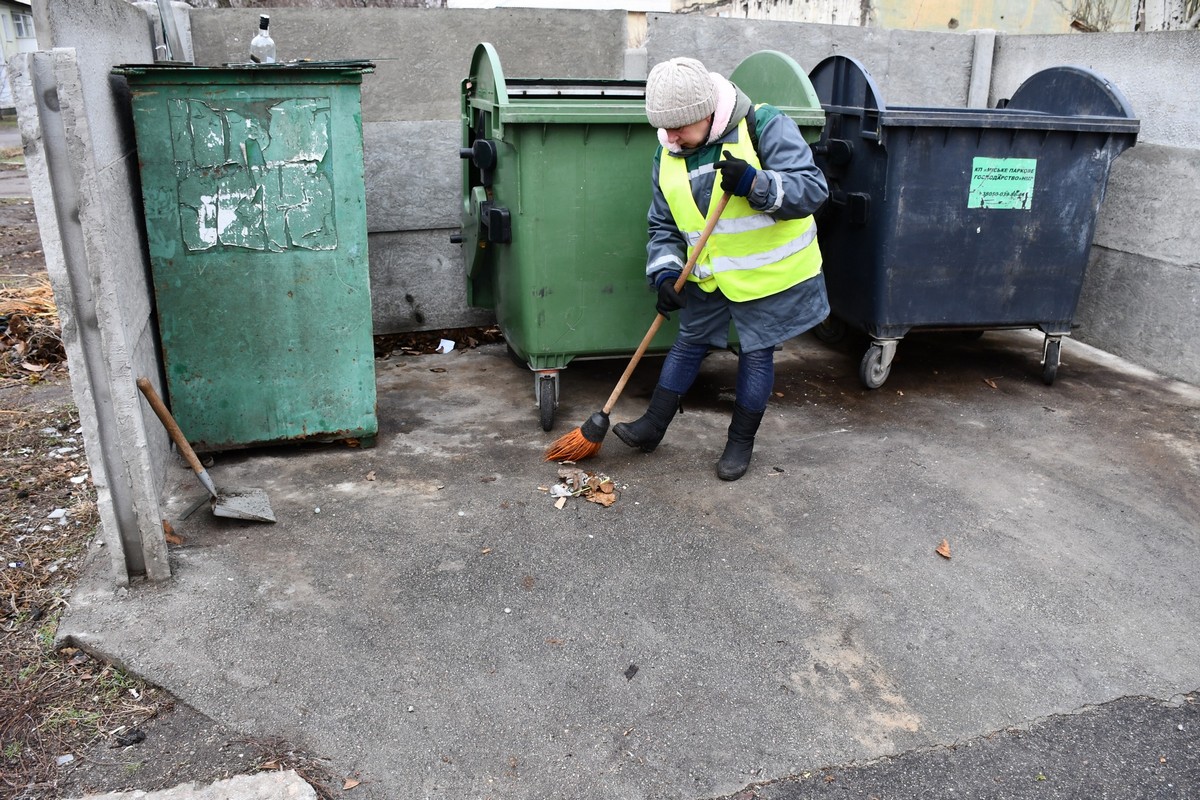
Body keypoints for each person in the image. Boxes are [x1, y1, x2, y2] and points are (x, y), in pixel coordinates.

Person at [612, 56, 830, 481]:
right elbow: (663, 224)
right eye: (664, 127)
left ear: (709, 112)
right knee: (688, 341)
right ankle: (653, 425)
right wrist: (663, 274)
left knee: (756, 352)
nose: (670, 137)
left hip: (766, 277)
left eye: (680, 126)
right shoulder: (668, 152)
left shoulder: (764, 127)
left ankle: (740, 443)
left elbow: (813, 189)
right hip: (708, 276)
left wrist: (756, 183)